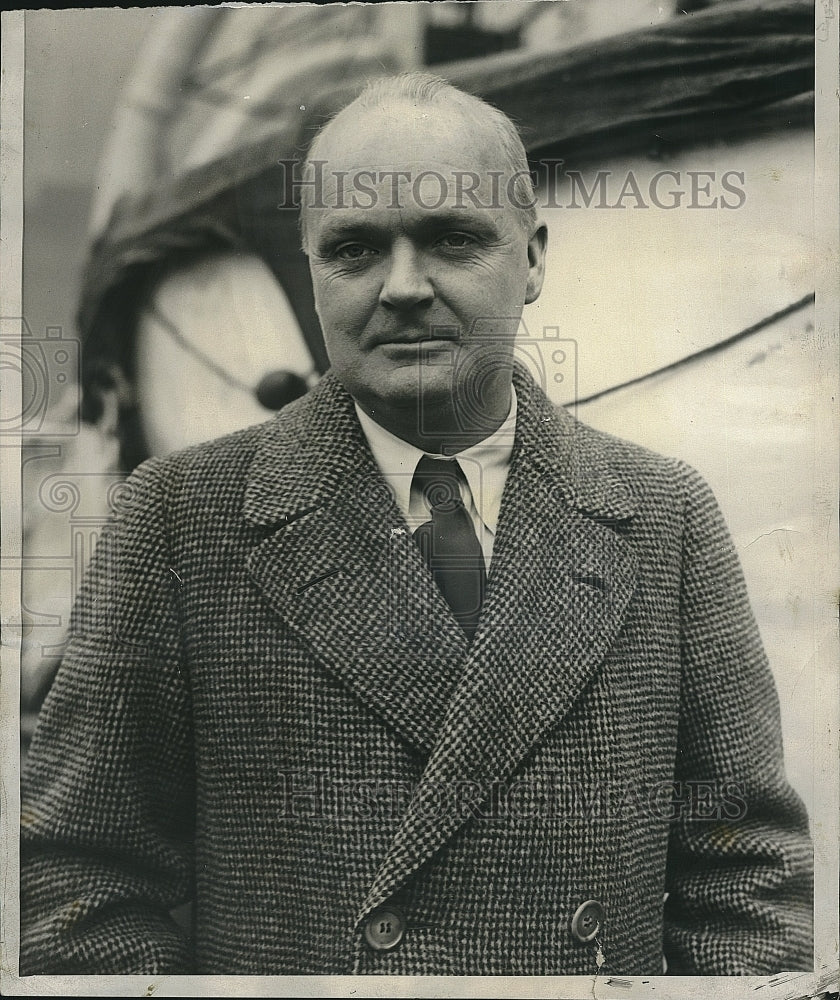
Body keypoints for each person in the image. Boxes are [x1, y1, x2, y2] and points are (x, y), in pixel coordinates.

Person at [20, 73, 812, 977]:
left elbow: (749, 883)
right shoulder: (180, 519)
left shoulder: (664, 516)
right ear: (312, 271)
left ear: (536, 258)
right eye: (354, 250)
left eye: (452, 240)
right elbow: (75, 883)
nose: (402, 287)